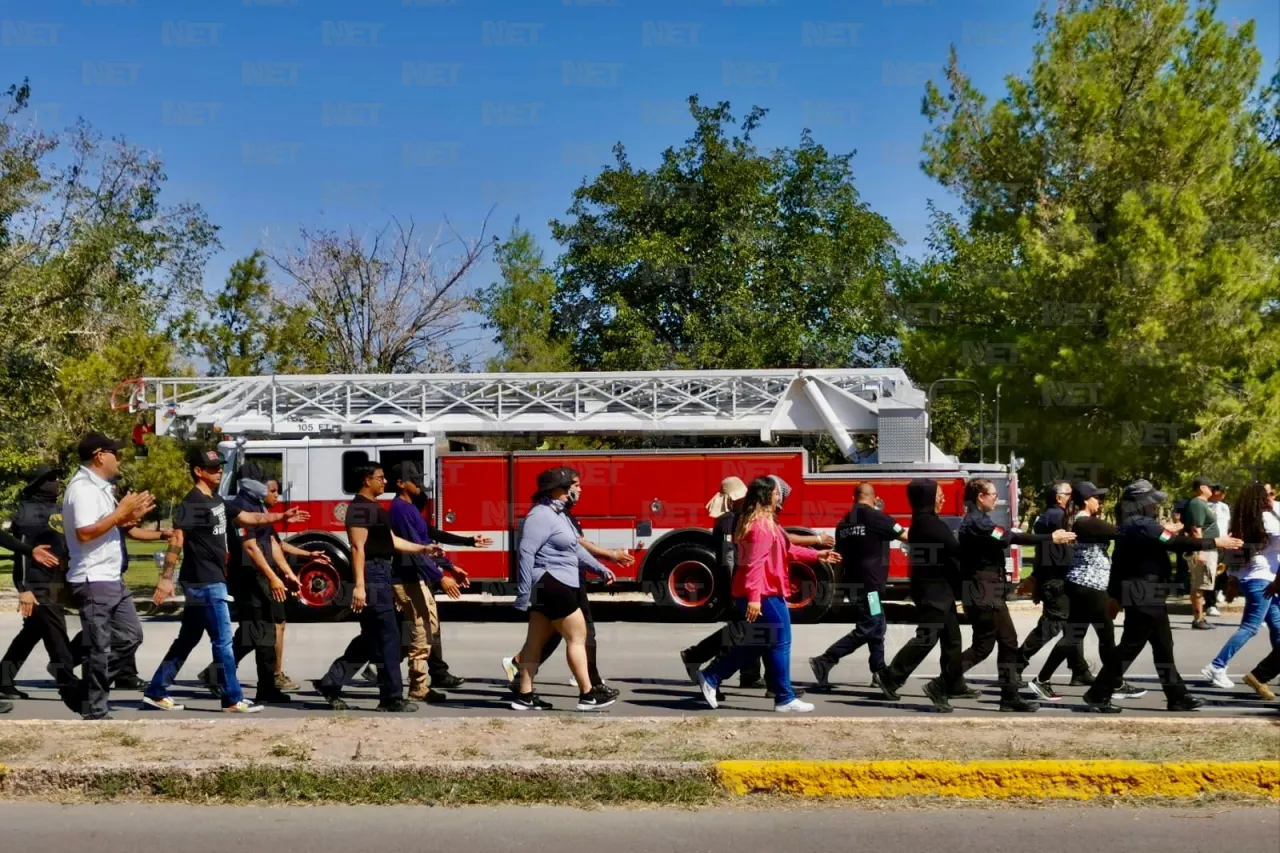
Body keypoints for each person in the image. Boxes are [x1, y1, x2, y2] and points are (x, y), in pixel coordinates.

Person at [144, 448, 305, 713]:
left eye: (220, 467)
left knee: (187, 640)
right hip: (205, 581)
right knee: (223, 642)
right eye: (213, 468)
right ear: (198, 471)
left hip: (209, 581)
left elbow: (249, 517)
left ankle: (156, 690)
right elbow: (177, 540)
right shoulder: (192, 503)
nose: (219, 471)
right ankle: (232, 698)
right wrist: (165, 578)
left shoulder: (216, 499)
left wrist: (281, 517)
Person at [1082, 479, 1242, 713]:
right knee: (1131, 646)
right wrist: (1214, 542)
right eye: (1151, 502)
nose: (1155, 506)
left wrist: (1116, 593)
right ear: (1141, 504)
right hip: (1143, 591)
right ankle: (1098, 693)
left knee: (1163, 646)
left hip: (1148, 591)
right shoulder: (1142, 525)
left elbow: (1128, 557)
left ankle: (1177, 696)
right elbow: (1174, 542)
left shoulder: (1133, 525)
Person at [695, 477, 837, 713]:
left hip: (766, 591)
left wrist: (817, 556)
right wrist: (753, 597)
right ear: (765, 497)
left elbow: (787, 550)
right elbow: (754, 564)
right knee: (780, 641)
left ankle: (716, 677)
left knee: (764, 642)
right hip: (764, 593)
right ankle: (781, 697)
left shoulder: (764, 522)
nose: (778, 497)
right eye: (775, 493)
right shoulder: (760, 526)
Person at [312, 464, 446, 712]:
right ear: (366, 480)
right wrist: (360, 587)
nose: (385, 482)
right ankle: (391, 698)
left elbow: (392, 541)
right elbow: (357, 548)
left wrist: (423, 549)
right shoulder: (360, 509)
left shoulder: (375, 508)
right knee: (389, 636)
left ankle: (331, 683)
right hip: (371, 576)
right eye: (380, 478)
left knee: (372, 638)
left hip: (382, 572)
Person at [956, 477, 1076, 713]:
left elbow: (1007, 535)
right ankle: (942, 681)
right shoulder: (977, 522)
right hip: (984, 591)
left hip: (990, 590)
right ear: (980, 497)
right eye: (992, 494)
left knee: (1007, 642)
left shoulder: (981, 520)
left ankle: (1009, 696)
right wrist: (1050, 538)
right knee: (985, 647)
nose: (996, 498)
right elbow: (1010, 538)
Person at [198, 476, 325, 696]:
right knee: (262, 632)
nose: (275, 494)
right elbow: (251, 549)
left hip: (263, 578)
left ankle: (219, 674)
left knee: (254, 632)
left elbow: (273, 544)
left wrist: (288, 573)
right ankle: (263, 686)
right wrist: (273, 577)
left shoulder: (257, 506)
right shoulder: (240, 509)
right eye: (271, 489)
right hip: (249, 579)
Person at [502, 481, 629, 700]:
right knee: (578, 636)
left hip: (559, 582)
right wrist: (522, 594)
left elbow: (575, 548)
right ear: (556, 489)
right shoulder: (540, 516)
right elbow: (525, 553)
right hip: (552, 582)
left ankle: (525, 694)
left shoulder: (558, 514)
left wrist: (600, 569)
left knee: (534, 643)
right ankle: (588, 694)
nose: (579, 490)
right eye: (575, 485)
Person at [62, 432, 155, 720]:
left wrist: (126, 517)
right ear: (99, 456)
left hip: (111, 577)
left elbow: (107, 526)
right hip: (93, 579)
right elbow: (84, 532)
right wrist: (119, 514)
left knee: (130, 636)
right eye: (116, 452)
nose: (120, 458)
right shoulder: (82, 489)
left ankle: (84, 692)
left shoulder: (101, 488)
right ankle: (95, 709)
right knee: (98, 647)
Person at [1030, 482, 1146, 700]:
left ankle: (1043, 680)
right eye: (1097, 498)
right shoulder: (1085, 522)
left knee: (1078, 636)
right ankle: (1114, 683)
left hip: (1088, 584)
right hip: (1088, 585)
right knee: (1103, 636)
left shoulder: (1083, 521)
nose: (1100, 502)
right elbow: (1120, 533)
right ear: (1086, 500)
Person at [877, 479, 975, 713]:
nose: (942, 499)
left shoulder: (924, 522)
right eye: (938, 496)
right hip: (934, 592)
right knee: (927, 637)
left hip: (940, 590)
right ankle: (891, 677)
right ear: (927, 499)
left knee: (952, 638)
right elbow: (957, 550)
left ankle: (954, 682)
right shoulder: (930, 524)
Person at [386, 460, 476, 703]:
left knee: (424, 629)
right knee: (422, 630)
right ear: (400, 484)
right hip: (407, 578)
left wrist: (454, 561)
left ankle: (394, 669)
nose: (419, 485)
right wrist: (441, 577)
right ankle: (416, 685)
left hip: (415, 577)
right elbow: (415, 550)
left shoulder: (409, 508)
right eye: (414, 480)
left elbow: (429, 539)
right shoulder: (400, 510)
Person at [809, 483, 908, 689]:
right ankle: (826, 659)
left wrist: (835, 590)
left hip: (853, 584)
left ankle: (878, 671)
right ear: (874, 498)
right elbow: (906, 536)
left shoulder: (844, 523)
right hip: (870, 586)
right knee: (870, 626)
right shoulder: (877, 518)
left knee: (877, 624)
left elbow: (839, 559)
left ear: (854, 498)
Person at [0, 466, 70, 712]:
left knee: (32, 632)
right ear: (40, 484)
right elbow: (21, 553)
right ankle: (69, 684)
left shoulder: (60, 508)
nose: (56, 483)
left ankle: (3, 678)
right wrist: (24, 588)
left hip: (57, 581)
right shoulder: (28, 511)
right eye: (51, 479)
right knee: (57, 633)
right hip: (36, 583)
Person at [1015, 482, 1094, 699]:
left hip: (1053, 578)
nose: (1074, 499)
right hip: (1058, 580)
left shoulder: (1046, 517)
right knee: (1050, 626)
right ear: (1059, 498)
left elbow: (1043, 552)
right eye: (1070, 495)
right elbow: (1058, 554)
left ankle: (1079, 669)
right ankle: (1014, 666)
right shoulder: (1058, 518)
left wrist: (1035, 579)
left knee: (1073, 625)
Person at [1200, 483, 1279, 689]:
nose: (1272, 498)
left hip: (1256, 578)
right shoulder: (1267, 520)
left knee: (1278, 627)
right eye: (1268, 495)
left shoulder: (1246, 520)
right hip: (1264, 579)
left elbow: (1235, 554)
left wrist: (1233, 580)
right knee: (1251, 627)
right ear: (1260, 499)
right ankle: (1217, 665)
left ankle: (1269, 669)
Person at [678, 477, 752, 697]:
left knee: (744, 629)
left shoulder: (734, 519)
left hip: (739, 583)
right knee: (742, 631)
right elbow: (728, 559)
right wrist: (732, 590)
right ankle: (712, 675)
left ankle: (698, 656)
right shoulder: (728, 522)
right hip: (734, 585)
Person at [1184, 477, 1221, 630]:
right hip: (1203, 549)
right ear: (1201, 488)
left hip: (1209, 548)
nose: (1213, 490)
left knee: (1203, 584)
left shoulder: (1203, 504)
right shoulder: (1197, 503)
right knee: (1199, 584)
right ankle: (1198, 618)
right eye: (1210, 487)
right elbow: (1196, 529)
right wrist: (1200, 551)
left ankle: (1201, 617)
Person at [1209, 484, 1231, 615]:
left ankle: (1219, 591)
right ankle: (1210, 604)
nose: (1222, 495)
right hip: (1211, 542)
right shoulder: (1205, 505)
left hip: (1224, 542)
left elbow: (1227, 524)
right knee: (1211, 574)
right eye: (1220, 492)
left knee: (1223, 571)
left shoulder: (1224, 507)